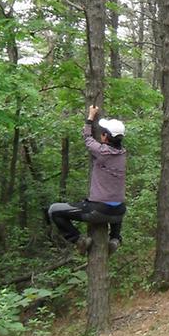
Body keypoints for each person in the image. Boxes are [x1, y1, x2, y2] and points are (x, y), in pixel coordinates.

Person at [48, 105, 127, 255]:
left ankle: (79, 240)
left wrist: (90, 117)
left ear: (104, 136)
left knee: (54, 210)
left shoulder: (102, 151)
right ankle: (115, 239)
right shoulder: (123, 154)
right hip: (119, 212)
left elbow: (87, 138)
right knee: (116, 205)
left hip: (98, 210)